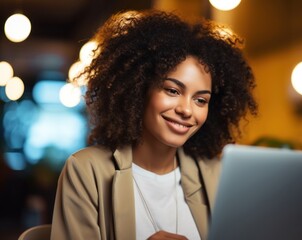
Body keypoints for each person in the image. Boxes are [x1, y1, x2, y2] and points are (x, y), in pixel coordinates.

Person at [50, 9, 257, 240]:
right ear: (139, 88)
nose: (186, 110)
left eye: (201, 100)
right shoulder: (86, 170)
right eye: (172, 90)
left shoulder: (216, 175)